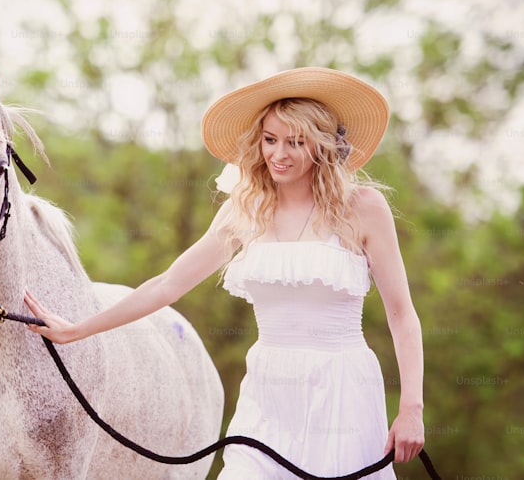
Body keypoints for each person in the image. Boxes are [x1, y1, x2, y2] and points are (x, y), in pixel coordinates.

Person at [24, 67, 425, 478]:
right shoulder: (246, 208)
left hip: (342, 393)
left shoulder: (363, 208)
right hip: (267, 393)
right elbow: (168, 284)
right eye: (270, 140)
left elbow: (401, 315)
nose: (278, 154)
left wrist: (412, 408)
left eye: (295, 142)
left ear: (321, 145)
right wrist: (80, 328)